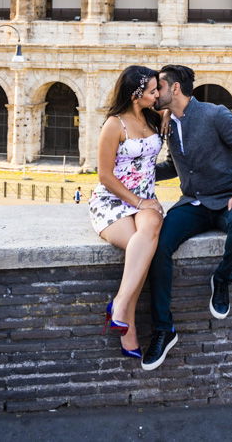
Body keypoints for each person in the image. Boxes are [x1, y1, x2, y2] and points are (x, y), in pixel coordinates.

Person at [141, 64, 232, 371]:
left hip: (226, 198)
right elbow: (174, 167)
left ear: (175, 89)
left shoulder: (215, 114)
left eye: (159, 89)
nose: (155, 95)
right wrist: (137, 175)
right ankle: (163, 329)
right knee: (158, 246)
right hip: (192, 204)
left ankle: (222, 278)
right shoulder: (168, 123)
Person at [88, 65, 166, 359]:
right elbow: (105, 175)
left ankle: (119, 305)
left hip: (146, 199)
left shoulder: (153, 116)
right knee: (142, 250)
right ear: (136, 95)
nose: (157, 94)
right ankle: (127, 325)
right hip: (113, 200)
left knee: (150, 231)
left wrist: (167, 114)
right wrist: (137, 202)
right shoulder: (114, 125)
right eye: (152, 90)